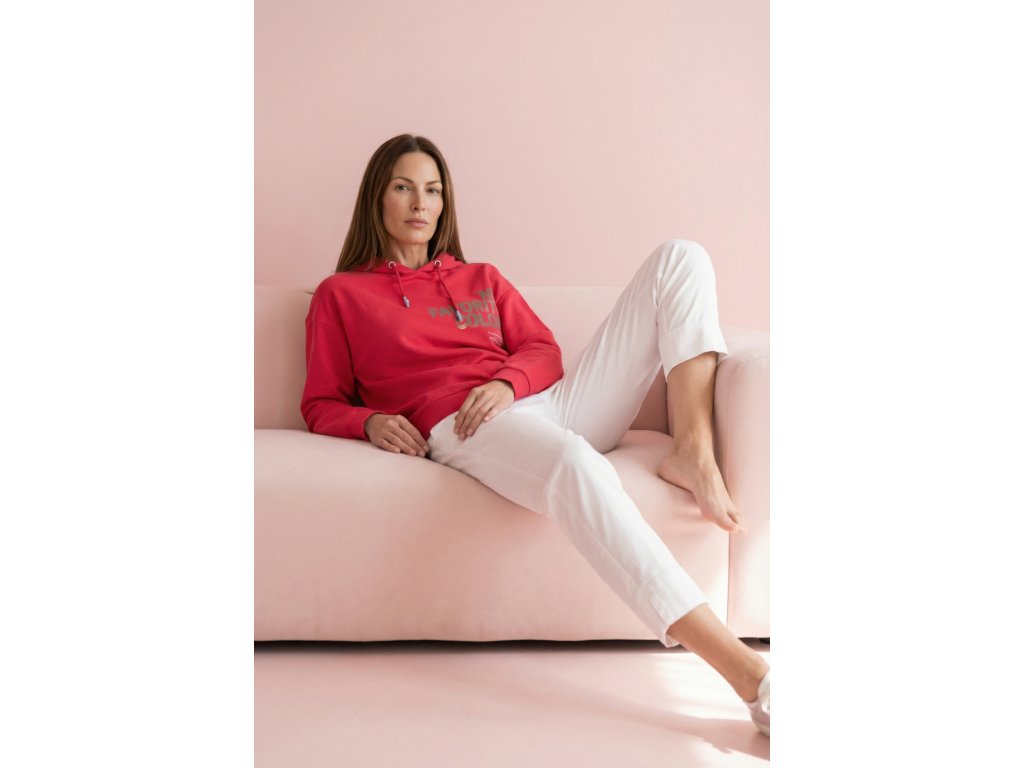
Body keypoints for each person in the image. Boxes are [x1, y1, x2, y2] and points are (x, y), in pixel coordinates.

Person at [301, 134, 770, 737]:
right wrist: (368, 421)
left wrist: (506, 382)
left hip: (544, 402)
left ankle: (692, 450)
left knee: (681, 257)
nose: (420, 203)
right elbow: (320, 403)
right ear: (377, 197)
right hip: (465, 424)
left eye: (433, 190)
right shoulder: (341, 295)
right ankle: (748, 674)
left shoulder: (480, 277)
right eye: (403, 187)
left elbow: (543, 350)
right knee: (574, 461)